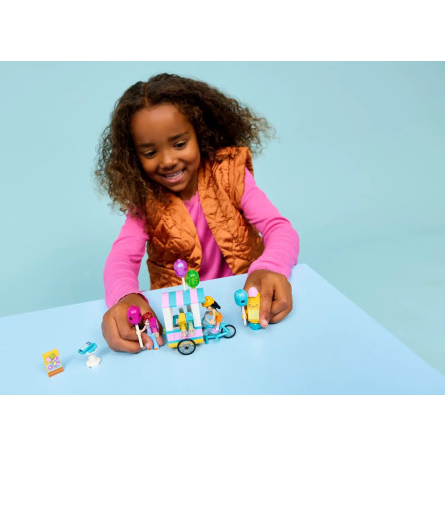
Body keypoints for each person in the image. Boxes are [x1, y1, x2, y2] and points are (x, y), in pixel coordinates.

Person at [96, 73, 299, 353]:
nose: (168, 160)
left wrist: (271, 266)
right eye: (150, 153)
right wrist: (124, 297)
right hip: (184, 320)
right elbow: (122, 257)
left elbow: (279, 228)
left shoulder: (230, 174)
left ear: (200, 134)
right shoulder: (145, 201)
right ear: (134, 157)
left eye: (179, 144)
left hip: (243, 307)